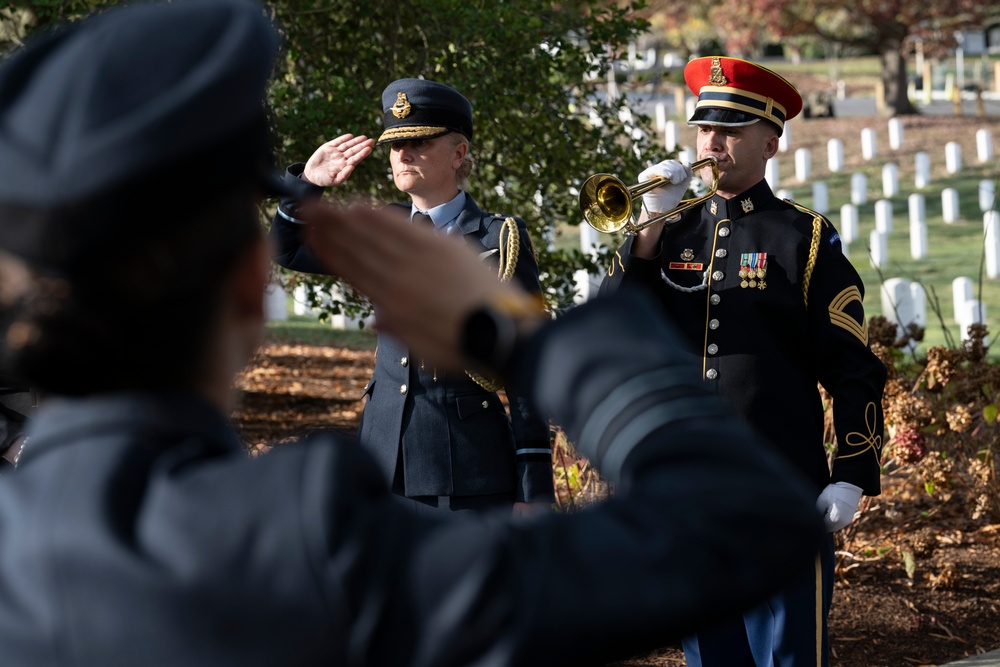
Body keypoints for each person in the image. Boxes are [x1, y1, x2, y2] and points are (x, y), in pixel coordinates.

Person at [0, 5, 826, 664]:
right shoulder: (315, 546)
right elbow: (742, 522)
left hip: (465, 460)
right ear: (252, 287)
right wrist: (518, 335)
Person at [599, 56, 888, 667]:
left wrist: (852, 471)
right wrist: (647, 228)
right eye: (705, 128)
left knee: (786, 655)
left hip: (779, 488)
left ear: (770, 142)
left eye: (729, 131)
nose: (713, 143)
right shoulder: (666, 234)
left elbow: (852, 365)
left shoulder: (802, 239)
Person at [269, 79, 554, 517]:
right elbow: (287, 250)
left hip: (465, 470)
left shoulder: (499, 240)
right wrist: (308, 183)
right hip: (383, 463)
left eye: (420, 142)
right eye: (396, 145)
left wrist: (532, 488)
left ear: (459, 154)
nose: (403, 154)